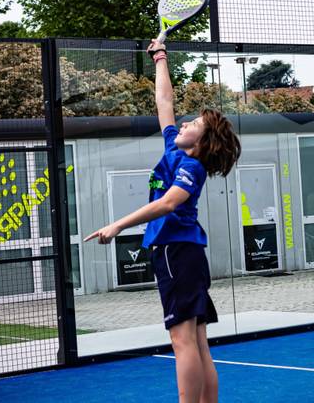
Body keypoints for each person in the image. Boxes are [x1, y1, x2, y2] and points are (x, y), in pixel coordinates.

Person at [84, 39, 241, 402]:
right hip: (185, 253)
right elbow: (165, 103)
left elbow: (169, 203)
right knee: (197, 339)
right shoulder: (175, 148)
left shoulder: (192, 165)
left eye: (195, 124)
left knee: (183, 339)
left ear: (202, 142)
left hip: (177, 252)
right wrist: (160, 57)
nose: (184, 123)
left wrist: (119, 224)